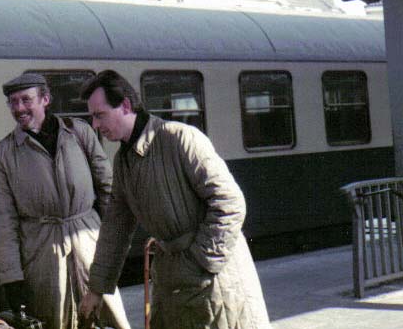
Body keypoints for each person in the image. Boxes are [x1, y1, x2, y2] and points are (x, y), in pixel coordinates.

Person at [78, 70, 271, 329]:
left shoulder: (180, 138)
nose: (95, 125)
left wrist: (198, 263)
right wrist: (96, 289)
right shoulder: (123, 161)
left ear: (125, 105)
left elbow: (230, 203)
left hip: (215, 283)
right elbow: (116, 228)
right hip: (174, 280)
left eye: (100, 115)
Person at [0, 73, 130, 329]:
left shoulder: (79, 133)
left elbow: (109, 192)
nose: (19, 108)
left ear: (45, 99)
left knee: (106, 319)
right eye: (13, 102)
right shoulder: (3, 154)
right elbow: (3, 221)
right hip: (42, 258)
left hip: (90, 247)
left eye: (26, 100)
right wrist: (11, 277)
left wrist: (113, 246)